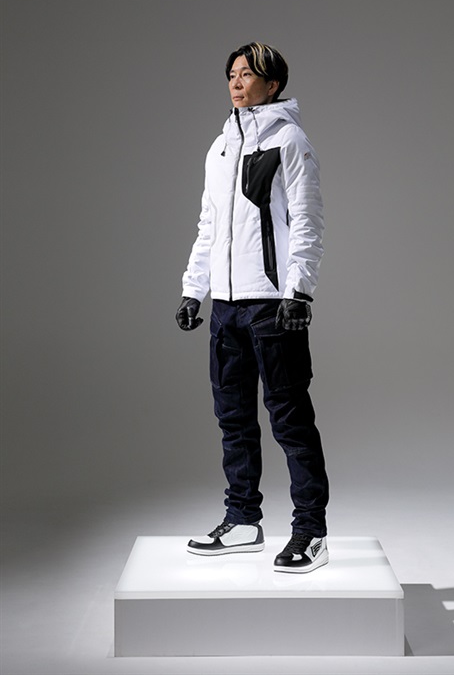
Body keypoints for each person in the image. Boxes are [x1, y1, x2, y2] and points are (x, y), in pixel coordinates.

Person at [176, 42, 329, 573]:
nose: (237, 83)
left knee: (289, 419)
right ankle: (243, 520)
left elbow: (307, 220)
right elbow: (209, 225)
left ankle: (311, 531)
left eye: (248, 74)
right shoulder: (219, 148)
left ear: (273, 83)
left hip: (271, 306)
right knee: (234, 419)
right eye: (232, 74)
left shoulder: (290, 141)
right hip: (226, 307)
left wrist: (298, 291)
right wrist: (194, 289)